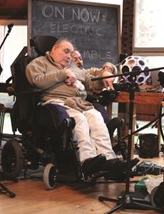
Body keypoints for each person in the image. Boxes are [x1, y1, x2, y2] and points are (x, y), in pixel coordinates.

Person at [25, 38, 128, 177]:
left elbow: (91, 82)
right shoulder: (38, 63)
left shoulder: (73, 67)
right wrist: (63, 74)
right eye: (66, 51)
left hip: (78, 103)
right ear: (54, 49)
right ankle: (86, 161)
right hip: (55, 102)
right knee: (79, 120)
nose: (69, 56)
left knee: (96, 117)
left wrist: (104, 78)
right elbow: (36, 81)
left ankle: (110, 160)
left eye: (71, 53)